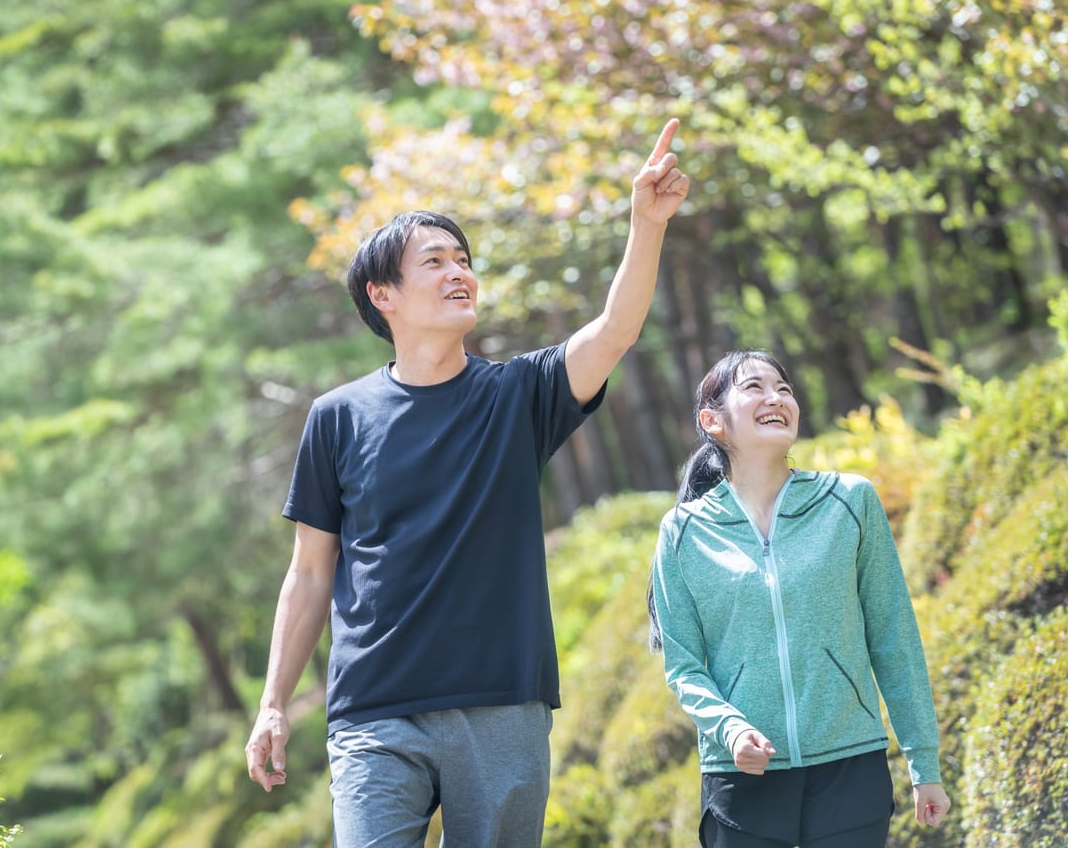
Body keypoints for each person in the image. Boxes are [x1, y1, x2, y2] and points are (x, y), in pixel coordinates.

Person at [244, 119, 689, 846]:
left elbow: (614, 331)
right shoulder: (336, 418)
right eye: (435, 261)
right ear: (381, 293)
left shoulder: (519, 395)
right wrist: (272, 702)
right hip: (373, 708)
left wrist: (646, 224)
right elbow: (309, 571)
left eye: (464, 259)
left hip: (502, 702)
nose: (459, 272)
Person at [647, 350, 951, 848]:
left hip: (849, 768)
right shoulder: (682, 533)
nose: (777, 398)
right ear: (713, 421)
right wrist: (729, 729)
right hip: (742, 778)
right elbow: (684, 666)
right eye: (755, 388)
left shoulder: (849, 502)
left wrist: (924, 764)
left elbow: (894, 638)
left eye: (784, 389)